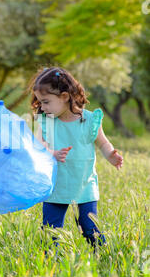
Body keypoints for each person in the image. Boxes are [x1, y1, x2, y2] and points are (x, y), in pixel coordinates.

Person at [30, 67, 123, 251]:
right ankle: (51, 263)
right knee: (51, 230)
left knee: (90, 228)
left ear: (64, 96)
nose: (42, 107)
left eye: (46, 101)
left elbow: (103, 143)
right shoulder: (47, 121)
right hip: (56, 187)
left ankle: (103, 256)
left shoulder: (88, 120)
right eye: (40, 102)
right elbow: (38, 146)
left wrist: (111, 155)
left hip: (84, 185)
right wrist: (52, 153)